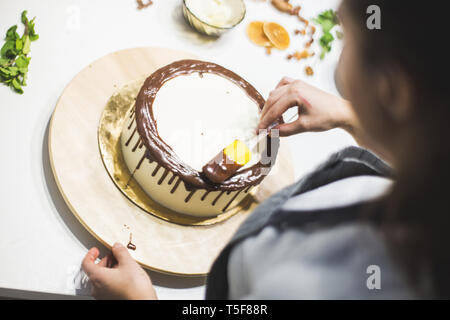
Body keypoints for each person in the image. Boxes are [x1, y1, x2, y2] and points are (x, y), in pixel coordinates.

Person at [82, 0, 449, 299]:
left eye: (347, 38)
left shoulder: (314, 281)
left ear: (393, 90)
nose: (336, 14)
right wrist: (354, 118)